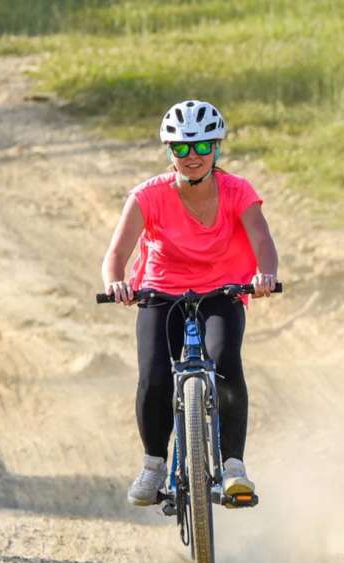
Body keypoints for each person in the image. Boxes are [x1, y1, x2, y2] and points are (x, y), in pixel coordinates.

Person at [100, 100, 279, 506]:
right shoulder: (148, 195)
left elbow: (263, 241)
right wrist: (115, 284)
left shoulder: (238, 191)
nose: (192, 156)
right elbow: (116, 254)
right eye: (181, 148)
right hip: (160, 292)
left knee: (225, 361)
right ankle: (152, 465)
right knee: (155, 376)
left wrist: (264, 274)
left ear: (216, 149)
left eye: (201, 147)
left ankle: (234, 467)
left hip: (223, 291)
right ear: (169, 151)